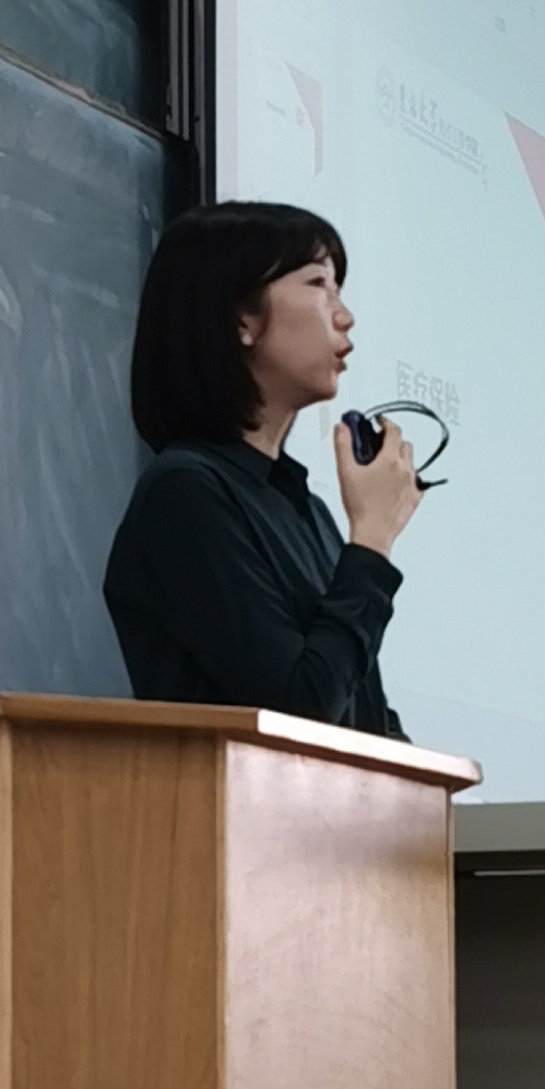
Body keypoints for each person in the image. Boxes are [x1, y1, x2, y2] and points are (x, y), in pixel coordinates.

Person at [102, 199, 424, 738]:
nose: (344, 316)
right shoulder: (185, 493)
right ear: (242, 320)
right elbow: (299, 710)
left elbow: (363, 717)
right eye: (318, 284)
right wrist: (371, 539)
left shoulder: (305, 510)